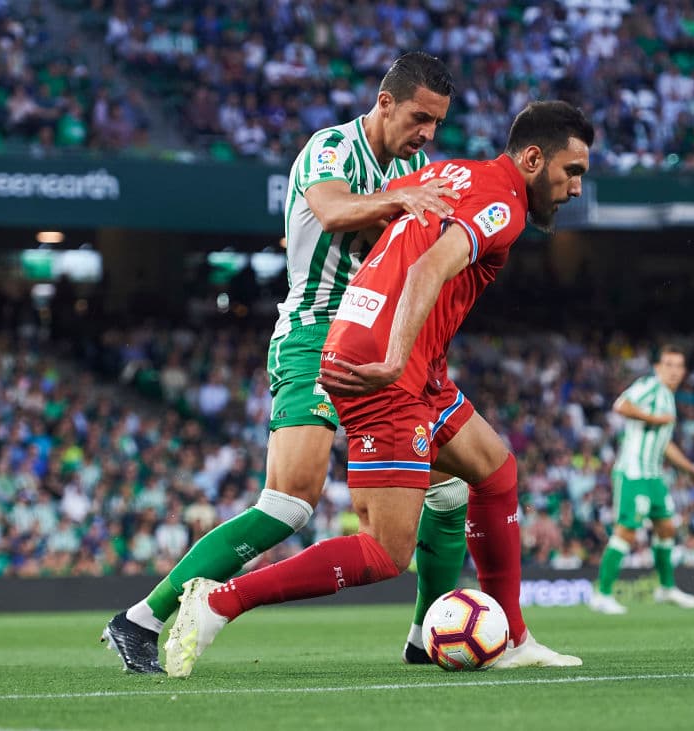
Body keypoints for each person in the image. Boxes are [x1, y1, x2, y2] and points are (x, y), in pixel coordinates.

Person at [164, 100, 594, 677]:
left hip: (409, 361)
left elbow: (393, 242)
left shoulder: (452, 172)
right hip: (386, 364)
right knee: (385, 551)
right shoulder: (503, 204)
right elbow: (427, 268)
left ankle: (513, 636)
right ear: (534, 158)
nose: (575, 188)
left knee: (495, 472)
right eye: (573, 172)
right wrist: (393, 357)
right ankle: (218, 601)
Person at [102, 52, 469, 673]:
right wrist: (403, 200)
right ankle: (139, 619)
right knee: (290, 503)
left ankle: (424, 636)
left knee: (450, 485)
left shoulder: (413, 165)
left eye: (436, 123)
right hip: (317, 333)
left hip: (382, 343)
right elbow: (331, 210)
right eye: (419, 117)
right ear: (385, 103)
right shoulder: (330, 149)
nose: (427, 134)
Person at [588, 345, 694, 615]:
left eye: (679, 366)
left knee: (666, 527)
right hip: (633, 473)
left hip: (654, 475)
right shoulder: (651, 387)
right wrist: (652, 417)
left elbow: (664, 445)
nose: (674, 371)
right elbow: (621, 405)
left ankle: (666, 587)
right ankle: (602, 594)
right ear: (658, 368)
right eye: (669, 365)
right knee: (627, 530)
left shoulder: (668, 396)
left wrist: (691, 470)